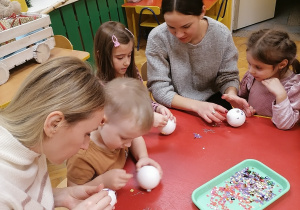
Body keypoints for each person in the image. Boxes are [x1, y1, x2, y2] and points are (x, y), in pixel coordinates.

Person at [0, 56, 112, 210]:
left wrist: (62, 196)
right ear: (54, 124)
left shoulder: (33, 145)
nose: (86, 146)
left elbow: (24, 199)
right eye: (87, 133)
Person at [146, 0, 251, 124]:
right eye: (171, 27)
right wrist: (197, 106)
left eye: (186, 26)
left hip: (214, 102)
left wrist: (231, 93)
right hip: (175, 105)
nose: (179, 34)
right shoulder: (158, 38)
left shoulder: (221, 34)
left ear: (202, 12)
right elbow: (159, 89)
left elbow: (228, 76)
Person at [66, 78, 162, 191]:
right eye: (124, 138)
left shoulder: (121, 132)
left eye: (132, 138)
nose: (129, 145)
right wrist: (103, 181)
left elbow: (136, 138)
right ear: (102, 121)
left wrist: (143, 157)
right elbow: (73, 191)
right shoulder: (82, 155)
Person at [94, 21, 176, 128]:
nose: (127, 62)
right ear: (101, 55)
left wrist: (157, 108)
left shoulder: (131, 72)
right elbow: (115, 118)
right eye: (120, 57)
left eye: (129, 55)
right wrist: (147, 119)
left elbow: (143, 100)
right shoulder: (99, 86)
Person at [227, 29, 300, 130]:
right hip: (254, 132)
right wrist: (243, 106)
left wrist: (281, 96)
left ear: (282, 64)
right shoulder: (252, 77)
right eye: (249, 63)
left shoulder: (294, 86)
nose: (251, 70)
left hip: (277, 139)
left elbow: (285, 125)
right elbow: (243, 99)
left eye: (258, 67)